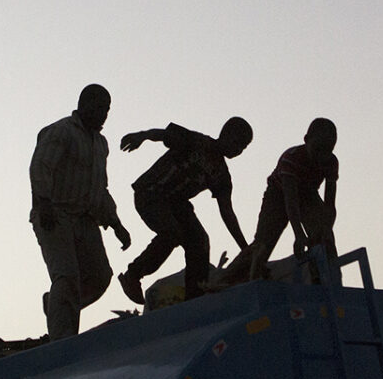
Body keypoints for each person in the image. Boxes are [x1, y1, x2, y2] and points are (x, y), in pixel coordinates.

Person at [30, 84, 132, 338]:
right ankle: (63, 339)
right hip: (56, 214)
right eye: (99, 108)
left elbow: (100, 188)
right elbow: (41, 166)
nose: (104, 115)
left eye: (107, 110)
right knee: (66, 277)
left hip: (86, 219)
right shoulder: (61, 132)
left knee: (100, 277)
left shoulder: (100, 144)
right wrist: (43, 203)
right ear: (84, 104)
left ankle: (56, 305)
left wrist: (116, 224)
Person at [115, 117, 253, 302]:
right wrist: (142, 136)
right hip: (151, 193)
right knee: (173, 233)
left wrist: (245, 249)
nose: (238, 151)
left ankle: (196, 296)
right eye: (237, 144)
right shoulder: (197, 141)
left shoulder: (221, 175)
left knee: (200, 240)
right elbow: (164, 134)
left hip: (176, 204)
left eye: (243, 148)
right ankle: (133, 275)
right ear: (225, 134)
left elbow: (227, 212)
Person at [244, 118, 339, 281]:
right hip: (278, 194)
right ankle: (243, 278)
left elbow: (329, 205)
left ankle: (329, 281)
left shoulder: (331, 162)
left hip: (308, 194)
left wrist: (326, 229)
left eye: (327, 150)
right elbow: (290, 201)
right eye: (317, 149)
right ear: (306, 140)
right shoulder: (291, 158)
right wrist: (298, 234)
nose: (321, 157)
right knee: (263, 243)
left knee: (324, 238)